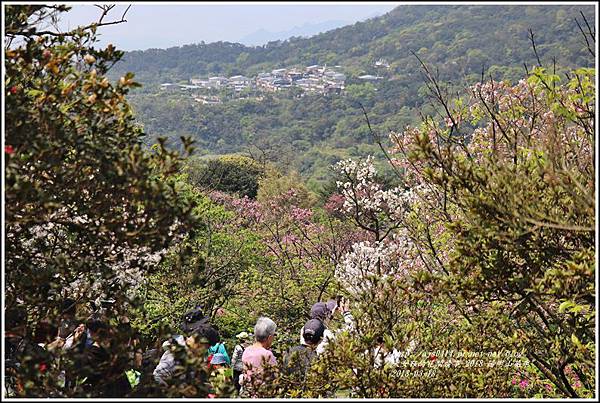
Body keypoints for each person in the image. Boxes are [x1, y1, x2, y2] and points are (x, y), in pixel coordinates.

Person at [240, 317, 277, 394]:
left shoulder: (247, 350)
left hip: (248, 393)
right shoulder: (267, 354)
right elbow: (276, 377)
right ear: (269, 337)